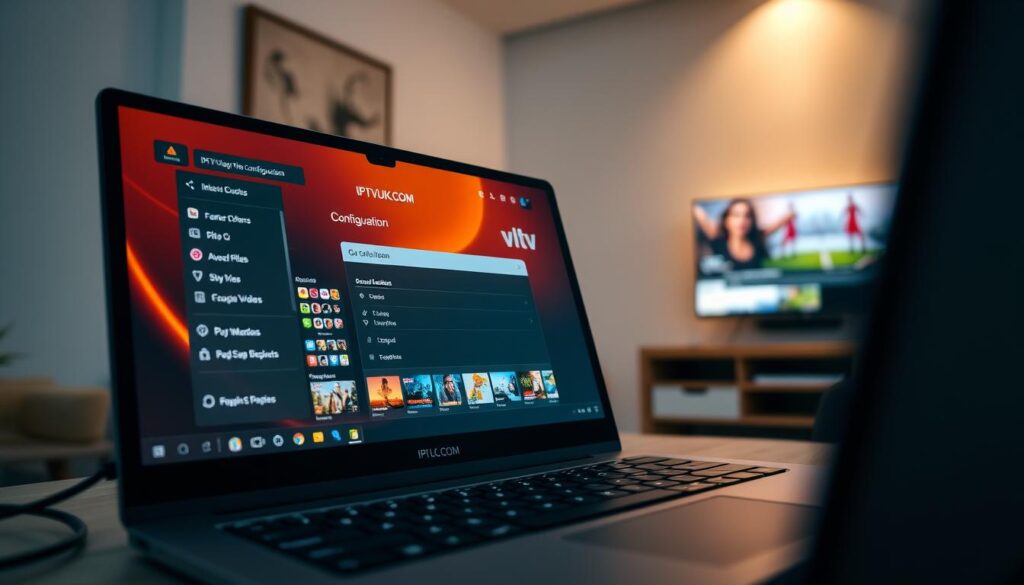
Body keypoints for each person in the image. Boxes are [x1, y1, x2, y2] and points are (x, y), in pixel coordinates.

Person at [692, 198, 795, 271]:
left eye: (747, 216)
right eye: (736, 215)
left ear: (752, 221)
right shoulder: (718, 240)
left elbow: (779, 223)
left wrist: (791, 213)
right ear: (726, 220)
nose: (742, 220)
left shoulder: (757, 239)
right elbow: (698, 213)